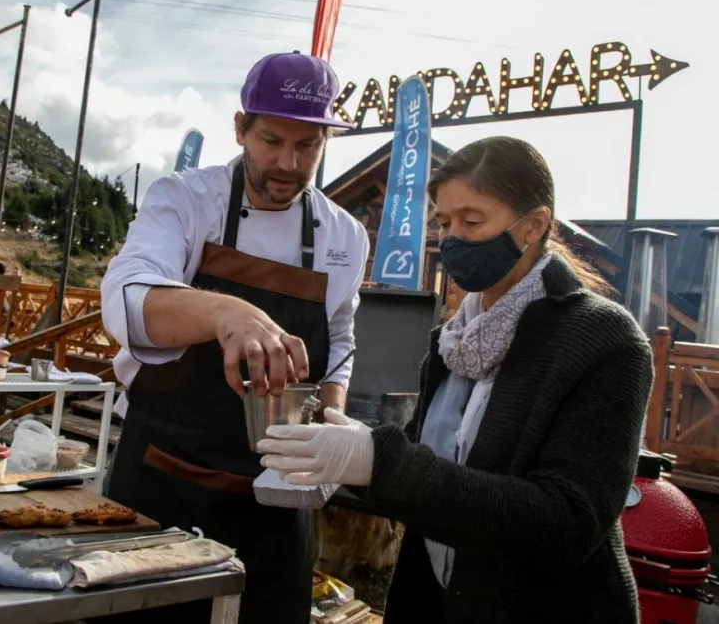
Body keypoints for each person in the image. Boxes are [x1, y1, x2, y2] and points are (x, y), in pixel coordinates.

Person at [258, 136, 654, 624]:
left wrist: (380, 461)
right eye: (444, 222)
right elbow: (427, 474)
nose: (452, 239)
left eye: (472, 221)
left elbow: (565, 524)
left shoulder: (605, 341)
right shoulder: (453, 341)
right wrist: (344, 453)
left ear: (534, 225)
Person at [96, 51, 368, 624]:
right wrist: (228, 313)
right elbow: (126, 300)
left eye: (308, 146)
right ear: (240, 127)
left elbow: (340, 336)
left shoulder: (344, 235)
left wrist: (331, 415)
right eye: (271, 140)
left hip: (277, 504)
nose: (287, 164)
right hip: (162, 485)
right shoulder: (185, 200)